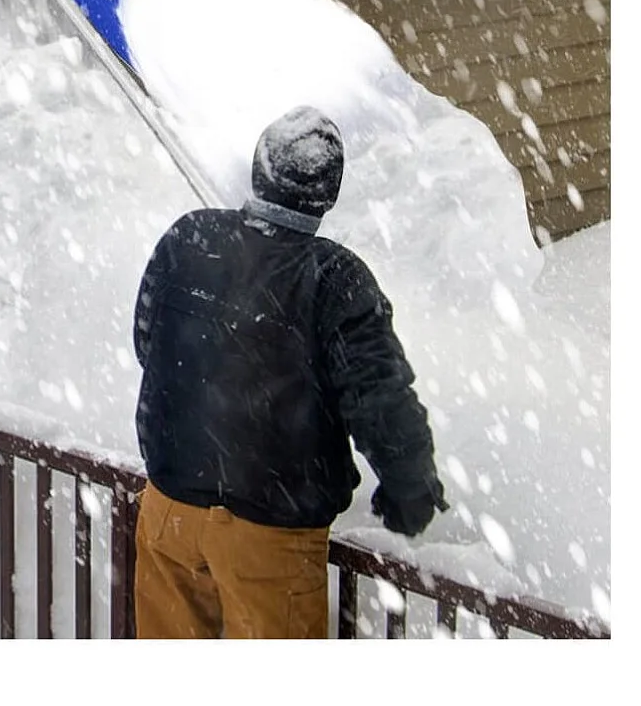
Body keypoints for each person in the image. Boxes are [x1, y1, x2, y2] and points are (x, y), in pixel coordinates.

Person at [131, 105, 447, 639]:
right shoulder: (335, 278)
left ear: (260, 170)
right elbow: (378, 397)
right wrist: (409, 490)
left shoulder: (187, 238)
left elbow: (147, 342)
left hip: (169, 513)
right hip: (269, 539)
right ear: (327, 193)